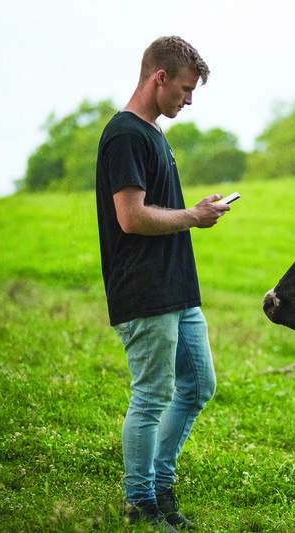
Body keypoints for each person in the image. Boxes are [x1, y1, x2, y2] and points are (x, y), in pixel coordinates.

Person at [96, 36, 229, 532]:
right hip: (145, 292)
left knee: (197, 386)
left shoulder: (152, 133)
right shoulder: (126, 135)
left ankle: (160, 487)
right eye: (185, 89)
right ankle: (141, 505)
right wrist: (193, 217)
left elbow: (154, 208)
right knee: (152, 395)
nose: (188, 100)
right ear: (160, 79)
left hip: (178, 290)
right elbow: (130, 218)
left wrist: (194, 209)